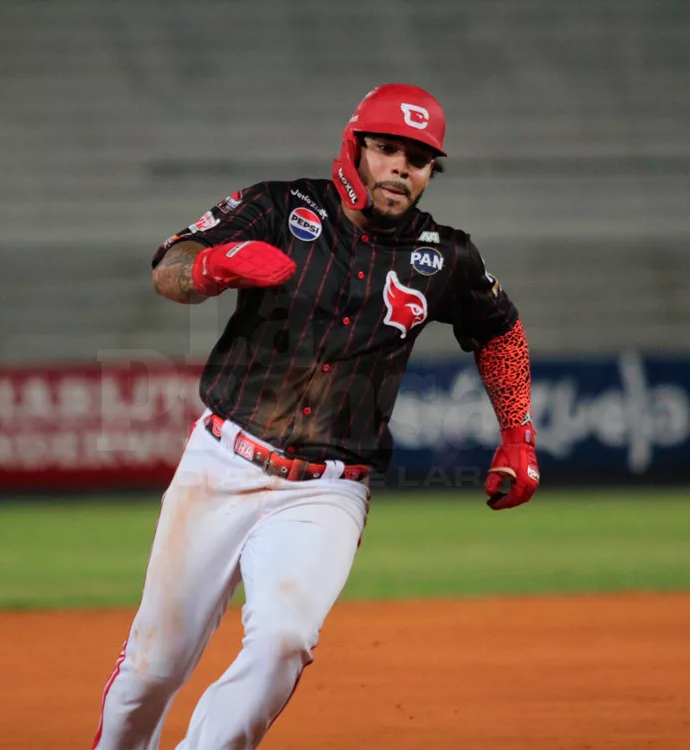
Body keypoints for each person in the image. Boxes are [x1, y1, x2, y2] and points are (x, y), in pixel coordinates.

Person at [91, 83, 539, 750]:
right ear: (355, 148)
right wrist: (214, 267)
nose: (401, 168)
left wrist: (517, 434)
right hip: (222, 459)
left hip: (329, 487)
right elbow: (171, 266)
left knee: (283, 641)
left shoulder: (443, 256)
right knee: (153, 670)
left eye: (418, 159)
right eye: (387, 149)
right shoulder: (280, 207)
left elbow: (500, 331)